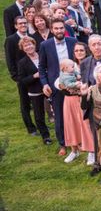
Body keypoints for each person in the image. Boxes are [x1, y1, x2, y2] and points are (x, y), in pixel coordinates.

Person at [39, 18, 78, 153]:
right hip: (55, 87)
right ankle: (63, 143)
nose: (59, 30)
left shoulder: (73, 42)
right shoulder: (45, 45)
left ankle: (78, 140)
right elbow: (42, 67)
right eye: (56, 28)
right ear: (51, 30)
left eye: (61, 28)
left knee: (76, 113)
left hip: (73, 84)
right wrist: (44, 84)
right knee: (59, 116)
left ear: (65, 29)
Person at [59, 44, 94, 164]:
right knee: (71, 123)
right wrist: (60, 85)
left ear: (86, 51)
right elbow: (59, 80)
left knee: (86, 124)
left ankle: (91, 151)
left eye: (81, 50)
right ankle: (74, 150)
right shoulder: (68, 65)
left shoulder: (91, 64)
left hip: (84, 99)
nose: (79, 52)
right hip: (69, 99)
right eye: (76, 50)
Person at [5, 16, 37, 136]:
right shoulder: (11, 40)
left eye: (25, 23)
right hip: (21, 76)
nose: (23, 25)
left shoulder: (31, 37)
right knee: (25, 103)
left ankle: (40, 124)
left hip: (34, 74)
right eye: (20, 23)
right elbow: (10, 59)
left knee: (37, 101)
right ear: (15, 26)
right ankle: (31, 128)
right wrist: (16, 76)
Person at [16, 36, 51, 144]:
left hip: (49, 88)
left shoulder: (43, 55)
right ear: (23, 48)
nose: (29, 47)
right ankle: (46, 137)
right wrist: (34, 76)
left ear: (34, 45)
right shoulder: (22, 63)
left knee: (57, 111)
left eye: (30, 44)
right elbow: (22, 80)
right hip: (35, 91)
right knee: (39, 116)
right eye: (26, 45)